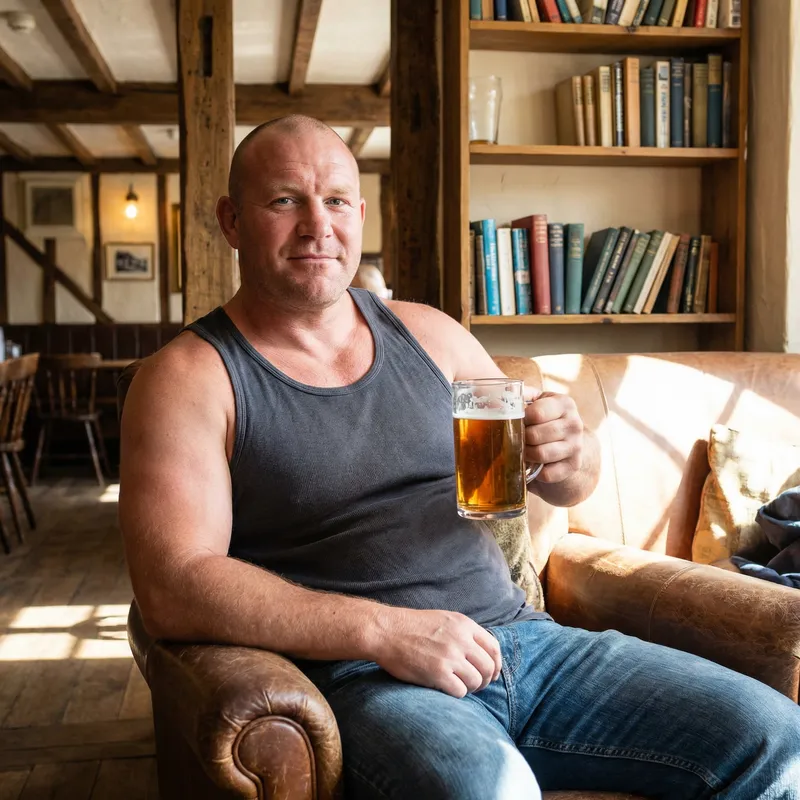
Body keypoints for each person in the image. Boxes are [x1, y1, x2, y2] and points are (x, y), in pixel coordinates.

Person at [119, 115, 800, 799]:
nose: (315, 226)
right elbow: (173, 585)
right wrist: (384, 632)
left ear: (360, 214)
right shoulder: (189, 378)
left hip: (528, 645)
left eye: (333, 201)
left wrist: (571, 458)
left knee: (775, 740)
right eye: (284, 200)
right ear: (232, 220)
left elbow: (563, 490)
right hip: (368, 676)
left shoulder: (433, 335)